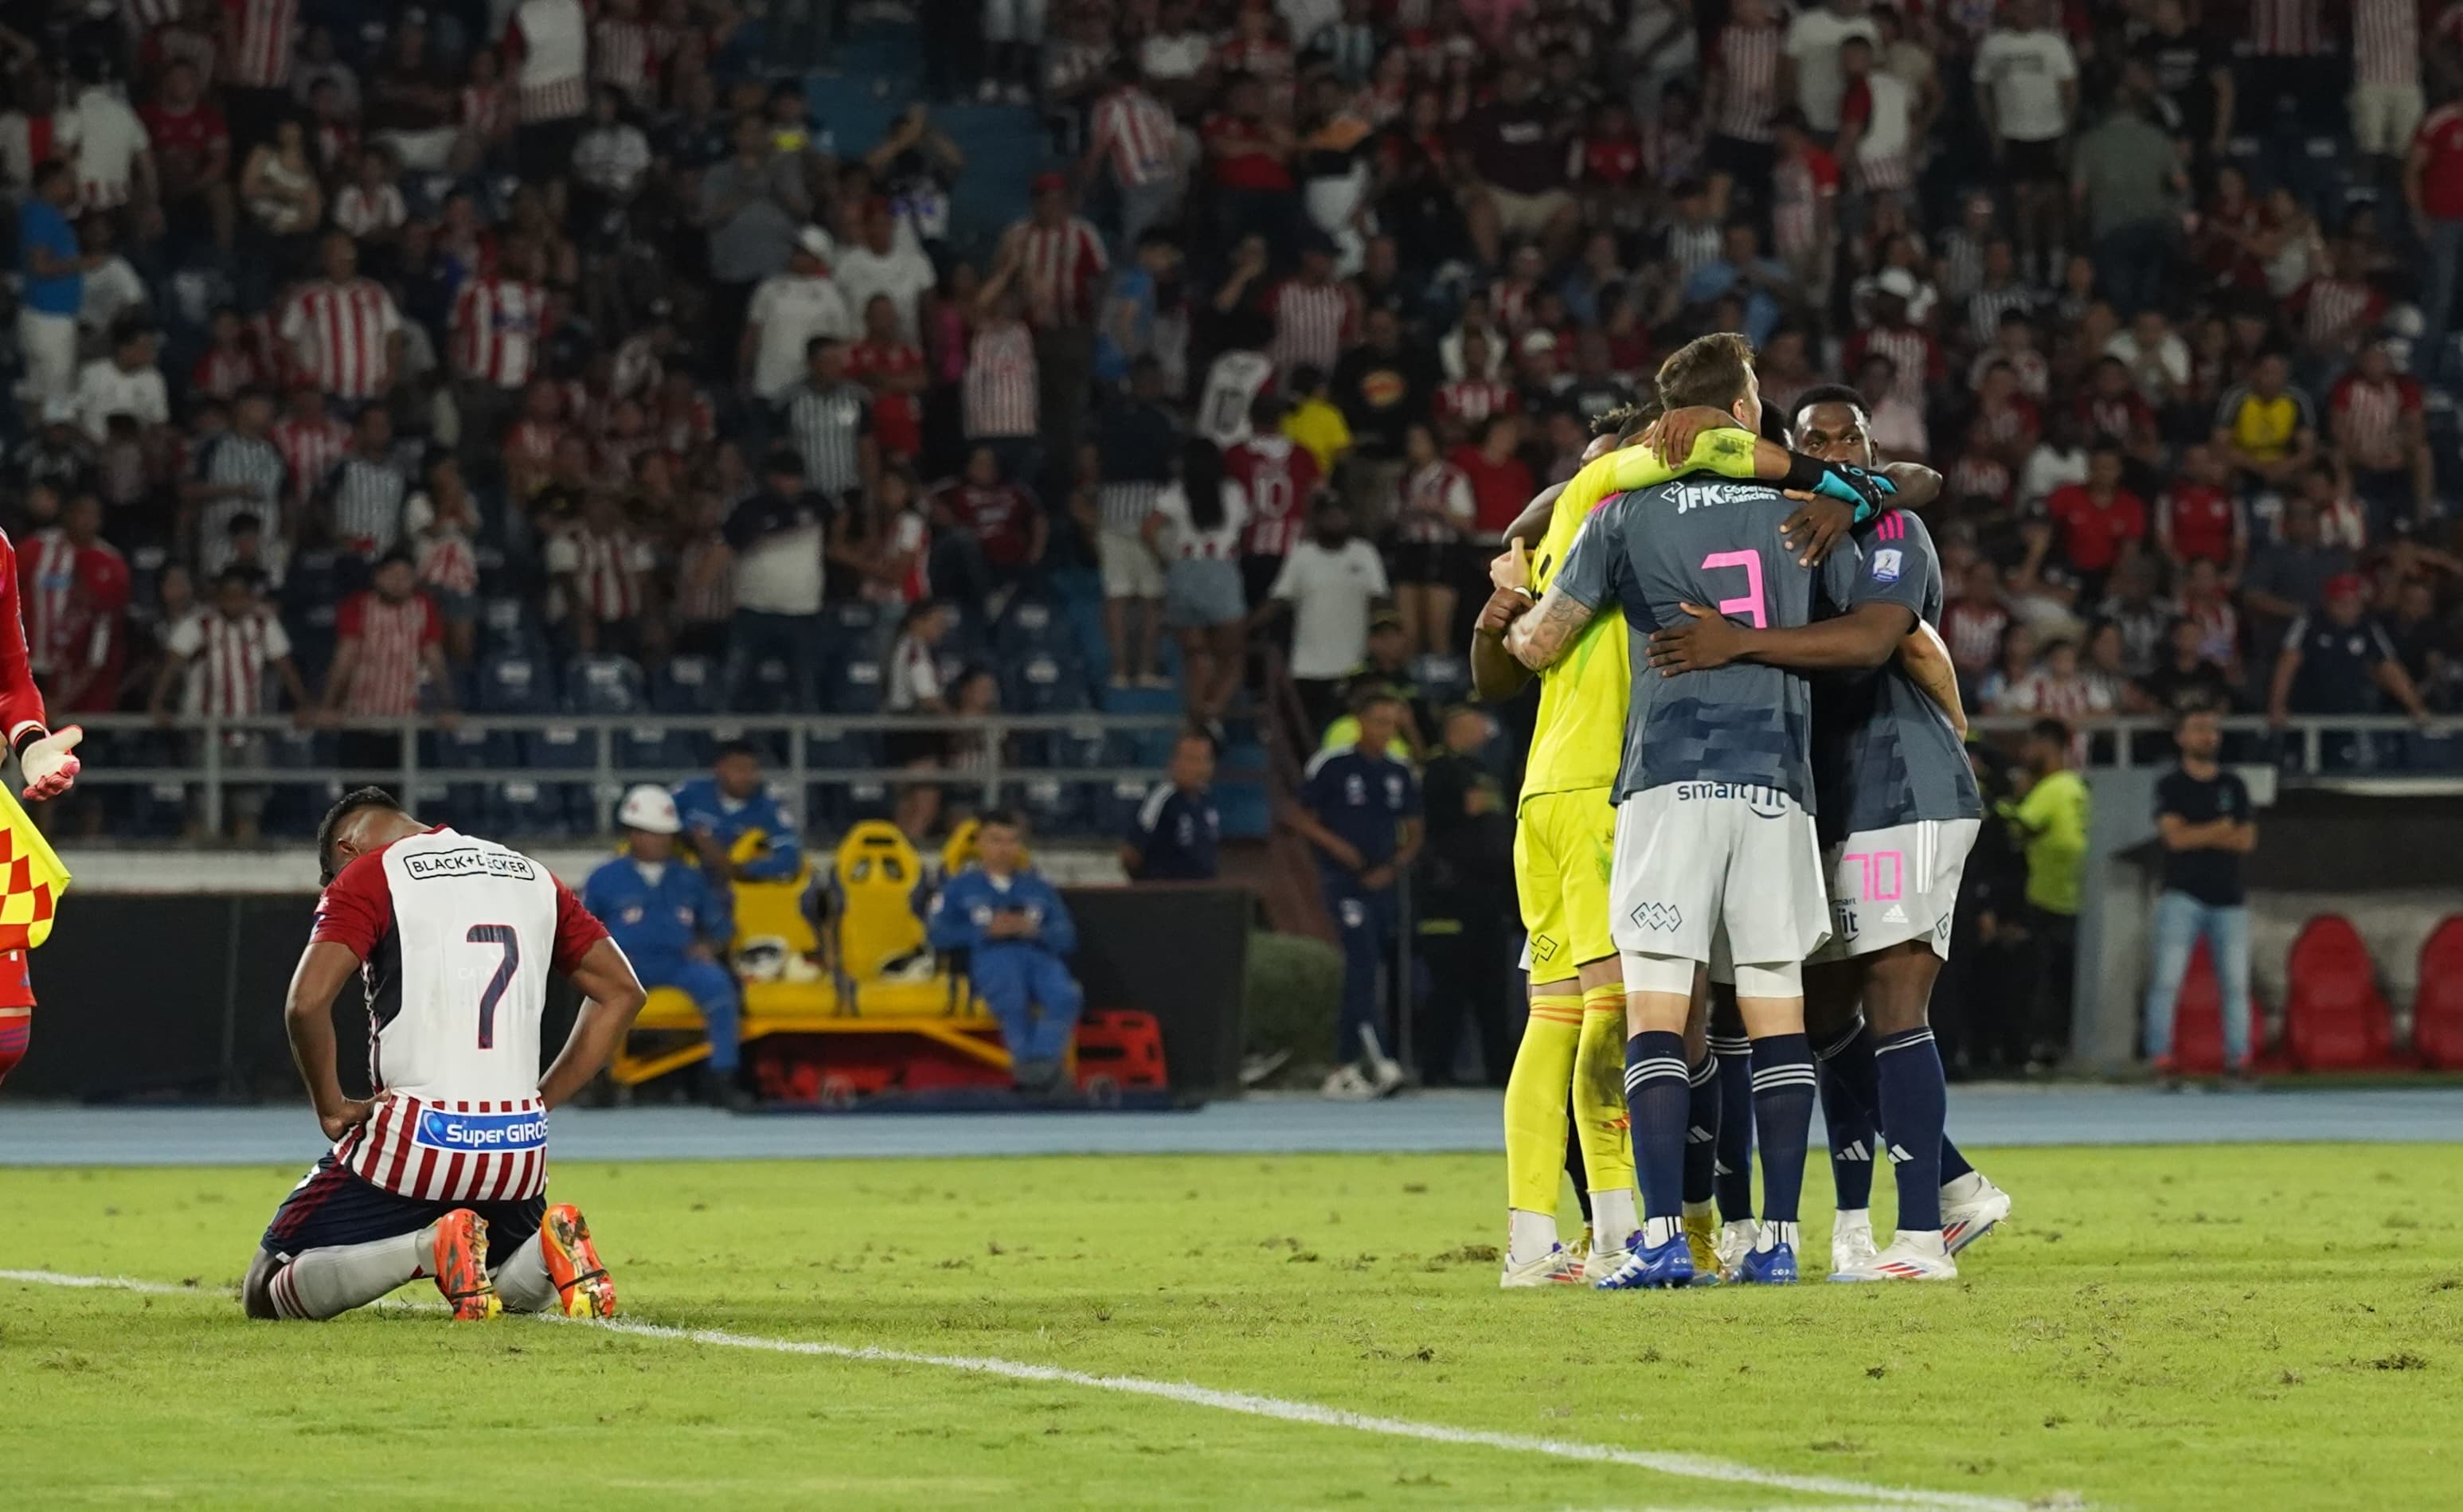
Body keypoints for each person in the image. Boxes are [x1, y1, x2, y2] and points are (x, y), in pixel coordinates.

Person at [1499, 334, 1872, 1290]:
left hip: (1666, 783)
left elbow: (1538, 647)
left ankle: (1661, 1235)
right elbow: (1891, 512)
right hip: (1774, 784)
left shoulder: (1624, 516)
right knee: (1775, 1013)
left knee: (1658, 1016)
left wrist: (1510, 589)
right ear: (1744, 414)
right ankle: (1778, 1241)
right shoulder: (1804, 506)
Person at [1644, 383, 2012, 1283]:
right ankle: (1952, 1191)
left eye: (1854, 438)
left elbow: (1875, 640)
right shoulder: (1772, 526)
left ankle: (1920, 1238)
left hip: (1904, 788)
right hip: (1823, 799)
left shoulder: (1890, 528)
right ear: (1789, 446)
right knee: (1820, 1019)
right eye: (1820, 439)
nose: (1840, 450)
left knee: (1892, 1009)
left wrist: (1736, 645)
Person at [244, 788, 646, 1323]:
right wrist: (540, 1100)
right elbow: (623, 993)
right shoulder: (529, 873)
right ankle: (551, 1248)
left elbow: (306, 1002)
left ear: (345, 848)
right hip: (518, 1149)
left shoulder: (370, 874)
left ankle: (426, 1247)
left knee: (264, 1287)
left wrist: (332, 1105)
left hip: (418, 1139)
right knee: (506, 1278)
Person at [1284, 690, 1420, 1100]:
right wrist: (1335, 846)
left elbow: (1415, 831)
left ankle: (1345, 1066)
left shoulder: (1399, 770)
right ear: (1360, 722)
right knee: (1360, 962)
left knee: (1369, 968)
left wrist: (1393, 866)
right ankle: (1375, 1062)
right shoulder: (1333, 764)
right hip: (1341, 882)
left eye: (1392, 724)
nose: (1386, 731)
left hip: (1382, 881)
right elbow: (1297, 816)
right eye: (1379, 722)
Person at [584, 786, 744, 1107]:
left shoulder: (690, 877)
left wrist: (709, 945)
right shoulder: (605, 877)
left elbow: (721, 926)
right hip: (627, 964)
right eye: (653, 833)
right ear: (633, 833)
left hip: (680, 962)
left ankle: (722, 1080)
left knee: (719, 986)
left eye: (666, 834)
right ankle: (598, 1079)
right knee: (595, 995)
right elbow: (581, 930)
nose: (661, 841)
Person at [150, 565, 312, 845]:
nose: (233, 601)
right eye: (228, 595)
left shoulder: (263, 623)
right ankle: (196, 870)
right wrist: (157, 703)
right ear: (217, 596)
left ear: (250, 598)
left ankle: (246, 865)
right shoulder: (198, 623)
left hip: (250, 728)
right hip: (204, 729)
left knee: (248, 808)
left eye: (239, 595)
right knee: (201, 805)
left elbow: (285, 667)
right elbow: (172, 664)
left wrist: (303, 705)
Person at [927, 810, 1084, 1094]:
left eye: (1011, 841)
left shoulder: (1039, 889)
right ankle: (1039, 1074)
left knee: (1066, 994)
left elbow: (1067, 937)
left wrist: (1036, 931)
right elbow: (937, 934)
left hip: (1038, 956)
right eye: (996, 840)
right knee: (1011, 998)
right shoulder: (959, 888)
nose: (1004, 849)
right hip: (992, 956)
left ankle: (1038, 1069)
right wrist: (983, 932)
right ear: (981, 845)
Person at [2142, 706, 2256, 1083]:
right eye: (2199, 728)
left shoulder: (2233, 785)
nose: (2208, 735)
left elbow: (2245, 839)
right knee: (2167, 981)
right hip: (2182, 896)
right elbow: (2174, 838)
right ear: (2182, 737)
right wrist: (2219, 829)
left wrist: (2200, 833)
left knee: (2236, 986)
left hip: (2229, 899)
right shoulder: (2172, 785)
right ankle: (2161, 1058)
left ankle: (2238, 1061)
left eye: (2213, 728)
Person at [1413, 706, 1514, 1089]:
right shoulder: (1441, 769)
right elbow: (1454, 812)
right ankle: (1435, 1070)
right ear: (1456, 729)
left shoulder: (1483, 770)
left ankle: (1497, 1070)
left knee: (1492, 990)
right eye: (1476, 726)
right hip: (1451, 894)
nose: (1485, 733)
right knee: (1449, 988)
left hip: (1489, 895)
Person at [1253, 499, 1387, 741]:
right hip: (1307, 666)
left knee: (1347, 736)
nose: (1335, 521)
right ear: (1317, 521)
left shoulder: (1364, 553)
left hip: (1352, 666)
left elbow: (1380, 600)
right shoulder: (1302, 555)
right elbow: (1279, 599)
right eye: (1329, 516)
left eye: (1340, 515)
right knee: (1303, 735)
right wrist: (1246, 628)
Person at [1999, 717, 2090, 1069]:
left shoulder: (2053, 788)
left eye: (2031, 745)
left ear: (2049, 747)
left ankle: (2039, 1051)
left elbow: (2019, 822)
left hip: (2047, 899)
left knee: (2039, 981)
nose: (2026, 753)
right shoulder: (2076, 787)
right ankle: (2053, 1048)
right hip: (2070, 896)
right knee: (2059, 981)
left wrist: (2000, 802)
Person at [1144, 437, 1249, 733]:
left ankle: (1195, 721)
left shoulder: (1176, 492)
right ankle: (1211, 714)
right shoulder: (1233, 492)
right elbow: (1241, 528)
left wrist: (1165, 559)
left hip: (1184, 571)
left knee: (1196, 659)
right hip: (1221, 569)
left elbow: (1148, 527)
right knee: (1232, 660)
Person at [674, 740, 807, 886]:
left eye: (753, 769)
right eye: (739, 769)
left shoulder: (769, 809)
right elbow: (655, 822)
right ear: (720, 769)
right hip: (685, 884)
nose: (747, 776)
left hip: (741, 892)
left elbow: (791, 857)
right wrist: (690, 834)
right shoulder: (691, 791)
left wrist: (741, 869)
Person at [1121, 730, 1219, 881]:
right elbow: (1131, 853)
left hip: (1201, 893)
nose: (1198, 768)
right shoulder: (1161, 798)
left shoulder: (1207, 801)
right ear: (1174, 763)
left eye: (1204, 760)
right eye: (1191, 760)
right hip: (1166, 895)